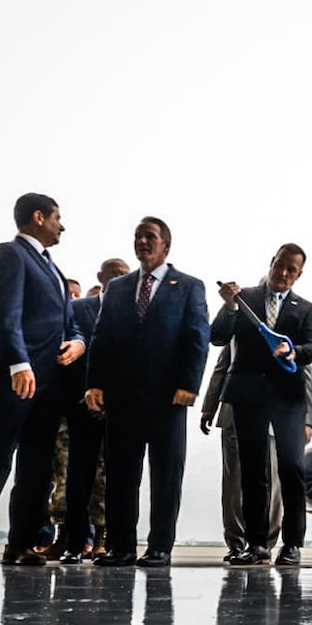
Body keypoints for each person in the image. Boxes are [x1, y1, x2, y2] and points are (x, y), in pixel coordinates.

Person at [0, 193, 85, 566]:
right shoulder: (9, 254)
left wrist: (78, 342)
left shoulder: (53, 268)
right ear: (38, 217)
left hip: (51, 380)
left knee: (37, 463)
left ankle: (21, 544)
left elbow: (68, 322)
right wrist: (19, 364)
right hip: (18, 377)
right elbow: (4, 313)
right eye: (58, 217)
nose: (63, 225)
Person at [85, 217, 208, 567]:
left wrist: (189, 384)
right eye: (138, 236)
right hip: (122, 398)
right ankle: (120, 547)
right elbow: (101, 338)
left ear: (165, 245)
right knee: (121, 475)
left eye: (150, 236)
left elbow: (196, 337)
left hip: (168, 398)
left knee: (166, 475)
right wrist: (95, 383)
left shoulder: (188, 286)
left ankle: (159, 547)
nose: (142, 241)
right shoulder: (120, 287)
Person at [211, 244, 312, 566]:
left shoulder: (307, 309)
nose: (284, 273)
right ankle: (256, 544)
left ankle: (292, 544)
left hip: (288, 399)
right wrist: (229, 307)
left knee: (291, 470)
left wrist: (294, 352)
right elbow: (217, 337)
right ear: (272, 263)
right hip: (247, 396)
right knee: (253, 472)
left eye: (292, 270)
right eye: (280, 266)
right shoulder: (245, 299)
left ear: (299, 274)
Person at [55, 258, 130, 563]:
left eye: (123, 276)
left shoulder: (136, 314)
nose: (117, 280)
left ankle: (114, 544)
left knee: (119, 476)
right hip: (80, 406)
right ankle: (74, 544)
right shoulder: (76, 309)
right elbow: (64, 355)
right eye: (112, 275)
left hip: (122, 410)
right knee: (78, 476)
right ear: (100, 277)